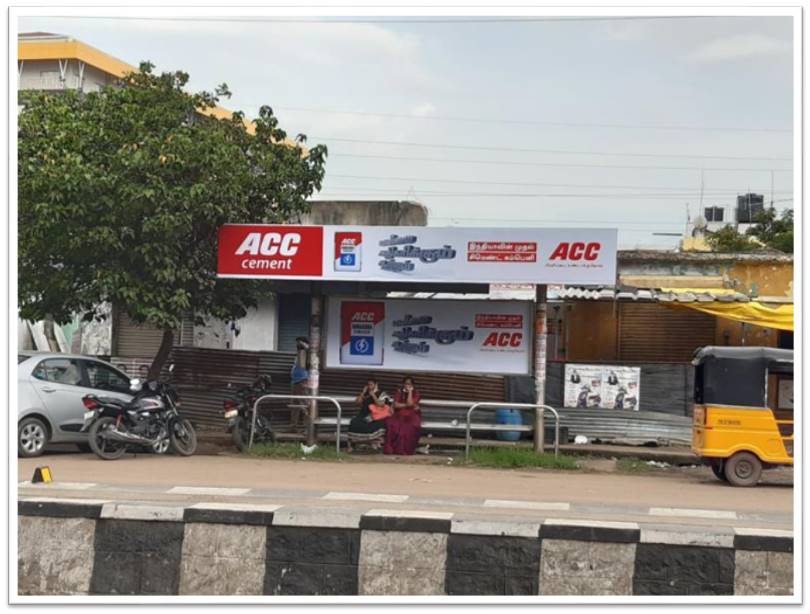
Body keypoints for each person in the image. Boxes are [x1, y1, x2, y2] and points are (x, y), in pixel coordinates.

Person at [346, 378, 389, 453]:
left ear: (376, 385)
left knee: (372, 426)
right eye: (368, 385)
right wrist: (363, 393)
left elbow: (380, 404)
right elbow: (358, 402)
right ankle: (351, 445)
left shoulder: (382, 393)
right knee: (354, 423)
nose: (369, 386)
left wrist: (373, 395)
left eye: (371, 384)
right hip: (363, 414)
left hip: (375, 416)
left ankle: (374, 445)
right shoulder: (365, 393)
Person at [384, 376, 422, 456]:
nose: (407, 385)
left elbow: (410, 403)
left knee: (410, 427)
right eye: (406, 384)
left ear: (412, 385)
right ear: (403, 384)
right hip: (399, 413)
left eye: (409, 384)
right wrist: (406, 405)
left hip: (412, 414)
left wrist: (410, 392)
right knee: (391, 424)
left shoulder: (416, 393)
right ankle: (392, 449)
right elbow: (396, 405)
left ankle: (406, 450)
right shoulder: (399, 392)